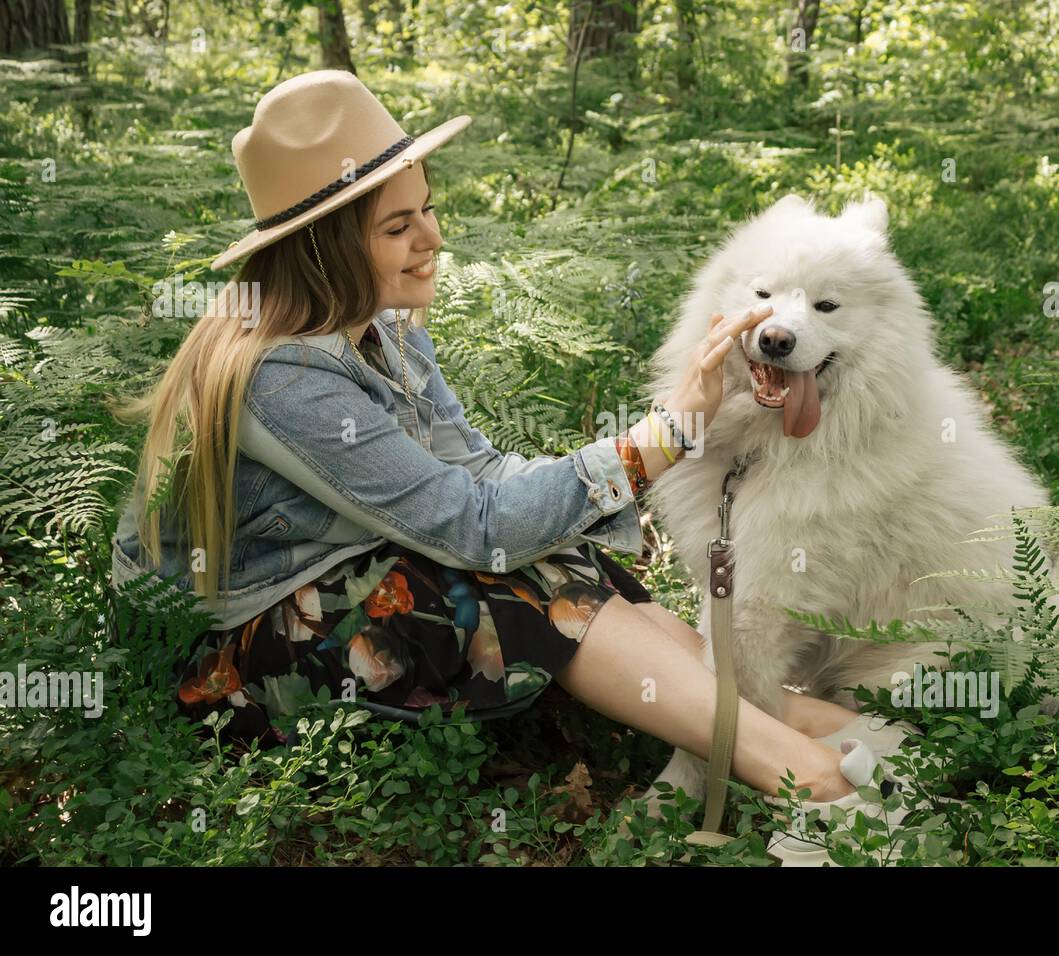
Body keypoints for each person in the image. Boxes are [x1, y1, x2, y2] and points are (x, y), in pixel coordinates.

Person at [108, 69, 870, 817]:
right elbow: (476, 525)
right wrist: (661, 436)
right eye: (398, 227)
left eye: (427, 212)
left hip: (339, 579)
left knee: (547, 542)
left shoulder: (388, 330)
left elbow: (483, 475)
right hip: (227, 664)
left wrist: (600, 484)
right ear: (324, 247)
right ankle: (800, 768)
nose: (432, 238)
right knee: (497, 572)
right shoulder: (281, 375)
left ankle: (800, 725)